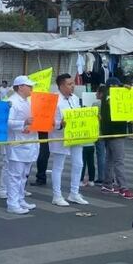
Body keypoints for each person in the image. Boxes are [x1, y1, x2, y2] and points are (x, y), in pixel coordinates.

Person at [49, 73, 89, 207]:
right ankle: (57, 195)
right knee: (58, 166)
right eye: (69, 84)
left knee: (79, 164)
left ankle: (74, 192)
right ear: (61, 85)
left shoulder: (75, 99)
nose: (73, 86)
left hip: (76, 135)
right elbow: (49, 121)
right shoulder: (54, 99)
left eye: (73, 84)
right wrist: (60, 124)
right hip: (60, 137)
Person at [4, 76, 39, 215]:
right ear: (20, 87)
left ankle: (20, 198)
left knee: (24, 174)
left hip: (30, 142)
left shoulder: (30, 101)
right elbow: (7, 122)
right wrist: (23, 123)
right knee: (15, 175)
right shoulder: (11, 102)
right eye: (28, 86)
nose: (31, 88)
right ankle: (12, 203)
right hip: (17, 143)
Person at [100, 78, 133, 200]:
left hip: (112, 132)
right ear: (111, 86)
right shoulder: (108, 96)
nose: (119, 88)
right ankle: (123, 187)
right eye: (117, 86)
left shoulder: (106, 95)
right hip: (115, 133)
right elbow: (113, 104)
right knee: (119, 160)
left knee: (110, 159)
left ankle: (107, 184)